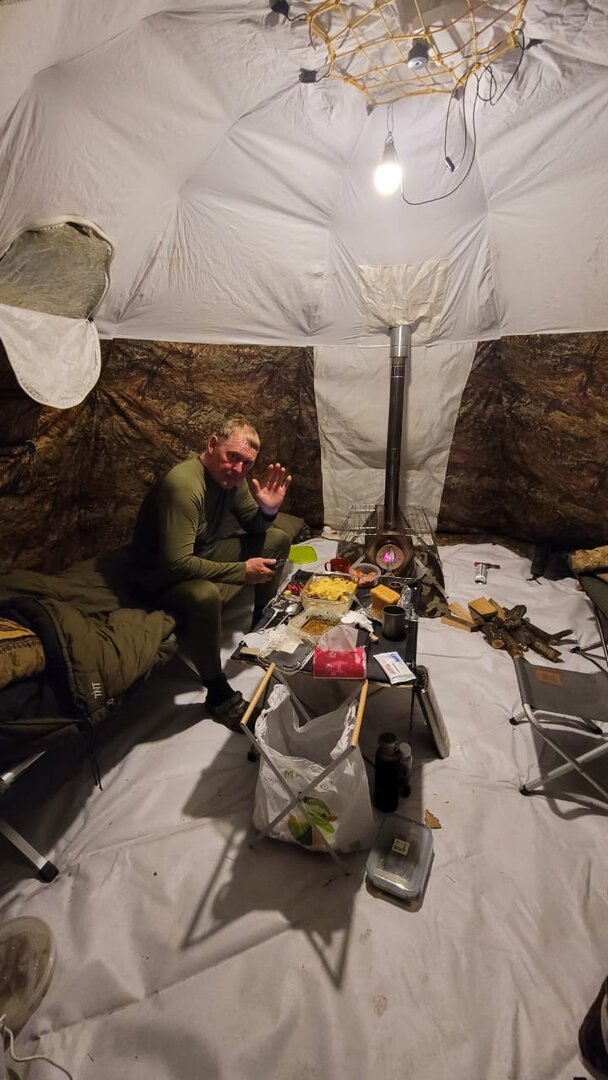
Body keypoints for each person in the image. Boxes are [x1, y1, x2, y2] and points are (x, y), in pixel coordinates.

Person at [130, 417, 292, 728]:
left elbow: (255, 527)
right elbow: (176, 564)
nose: (238, 469)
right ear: (212, 444)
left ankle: (261, 624)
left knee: (278, 540)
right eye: (232, 456)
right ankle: (217, 692)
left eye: (247, 463)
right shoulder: (185, 484)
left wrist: (268, 510)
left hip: (200, 552)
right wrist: (241, 571)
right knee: (205, 595)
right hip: (157, 575)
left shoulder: (233, 479)